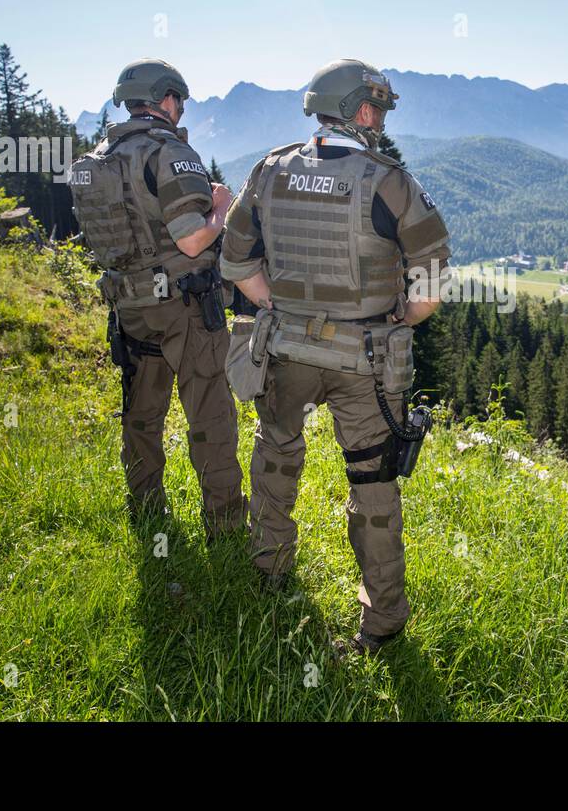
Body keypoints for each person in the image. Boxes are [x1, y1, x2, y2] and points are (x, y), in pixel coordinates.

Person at [220, 58, 451, 655]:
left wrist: (281, 309)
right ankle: (383, 624)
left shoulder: (269, 172)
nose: (380, 118)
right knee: (373, 484)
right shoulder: (389, 181)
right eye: (375, 106)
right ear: (357, 110)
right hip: (366, 361)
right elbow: (429, 290)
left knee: (275, 455)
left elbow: (236, 263)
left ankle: (269, 574)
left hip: (286, 351)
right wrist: (396, 317)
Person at [67, 58, 246, 541]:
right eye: (180, 100)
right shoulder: (168, 152)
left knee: (141, 414)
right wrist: (222, 208)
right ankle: (226, 529)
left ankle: (146, 510)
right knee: (210, 415)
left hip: (129, 306)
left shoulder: (99, 158)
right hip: (184, 307)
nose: (182, 109)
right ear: (165, 98)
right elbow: (192, 240)